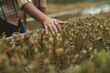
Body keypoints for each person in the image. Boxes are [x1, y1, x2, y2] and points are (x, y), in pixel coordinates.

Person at [0, 0, 64, 37]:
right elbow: (23, 1)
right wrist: (44, 19)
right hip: (3, 18)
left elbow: (40, 1)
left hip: (15, 18)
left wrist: (46, 23)